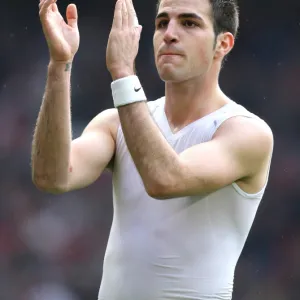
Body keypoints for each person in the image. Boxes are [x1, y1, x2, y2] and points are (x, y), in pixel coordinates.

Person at [32, 0, 273, 299]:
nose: (169, 33)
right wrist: (59, 64)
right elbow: (52, 177)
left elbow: (166, 179)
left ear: (222, 43)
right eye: (162, 23)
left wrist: (123, 74)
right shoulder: (116, 122)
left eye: (189, 23)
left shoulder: (246, 131)